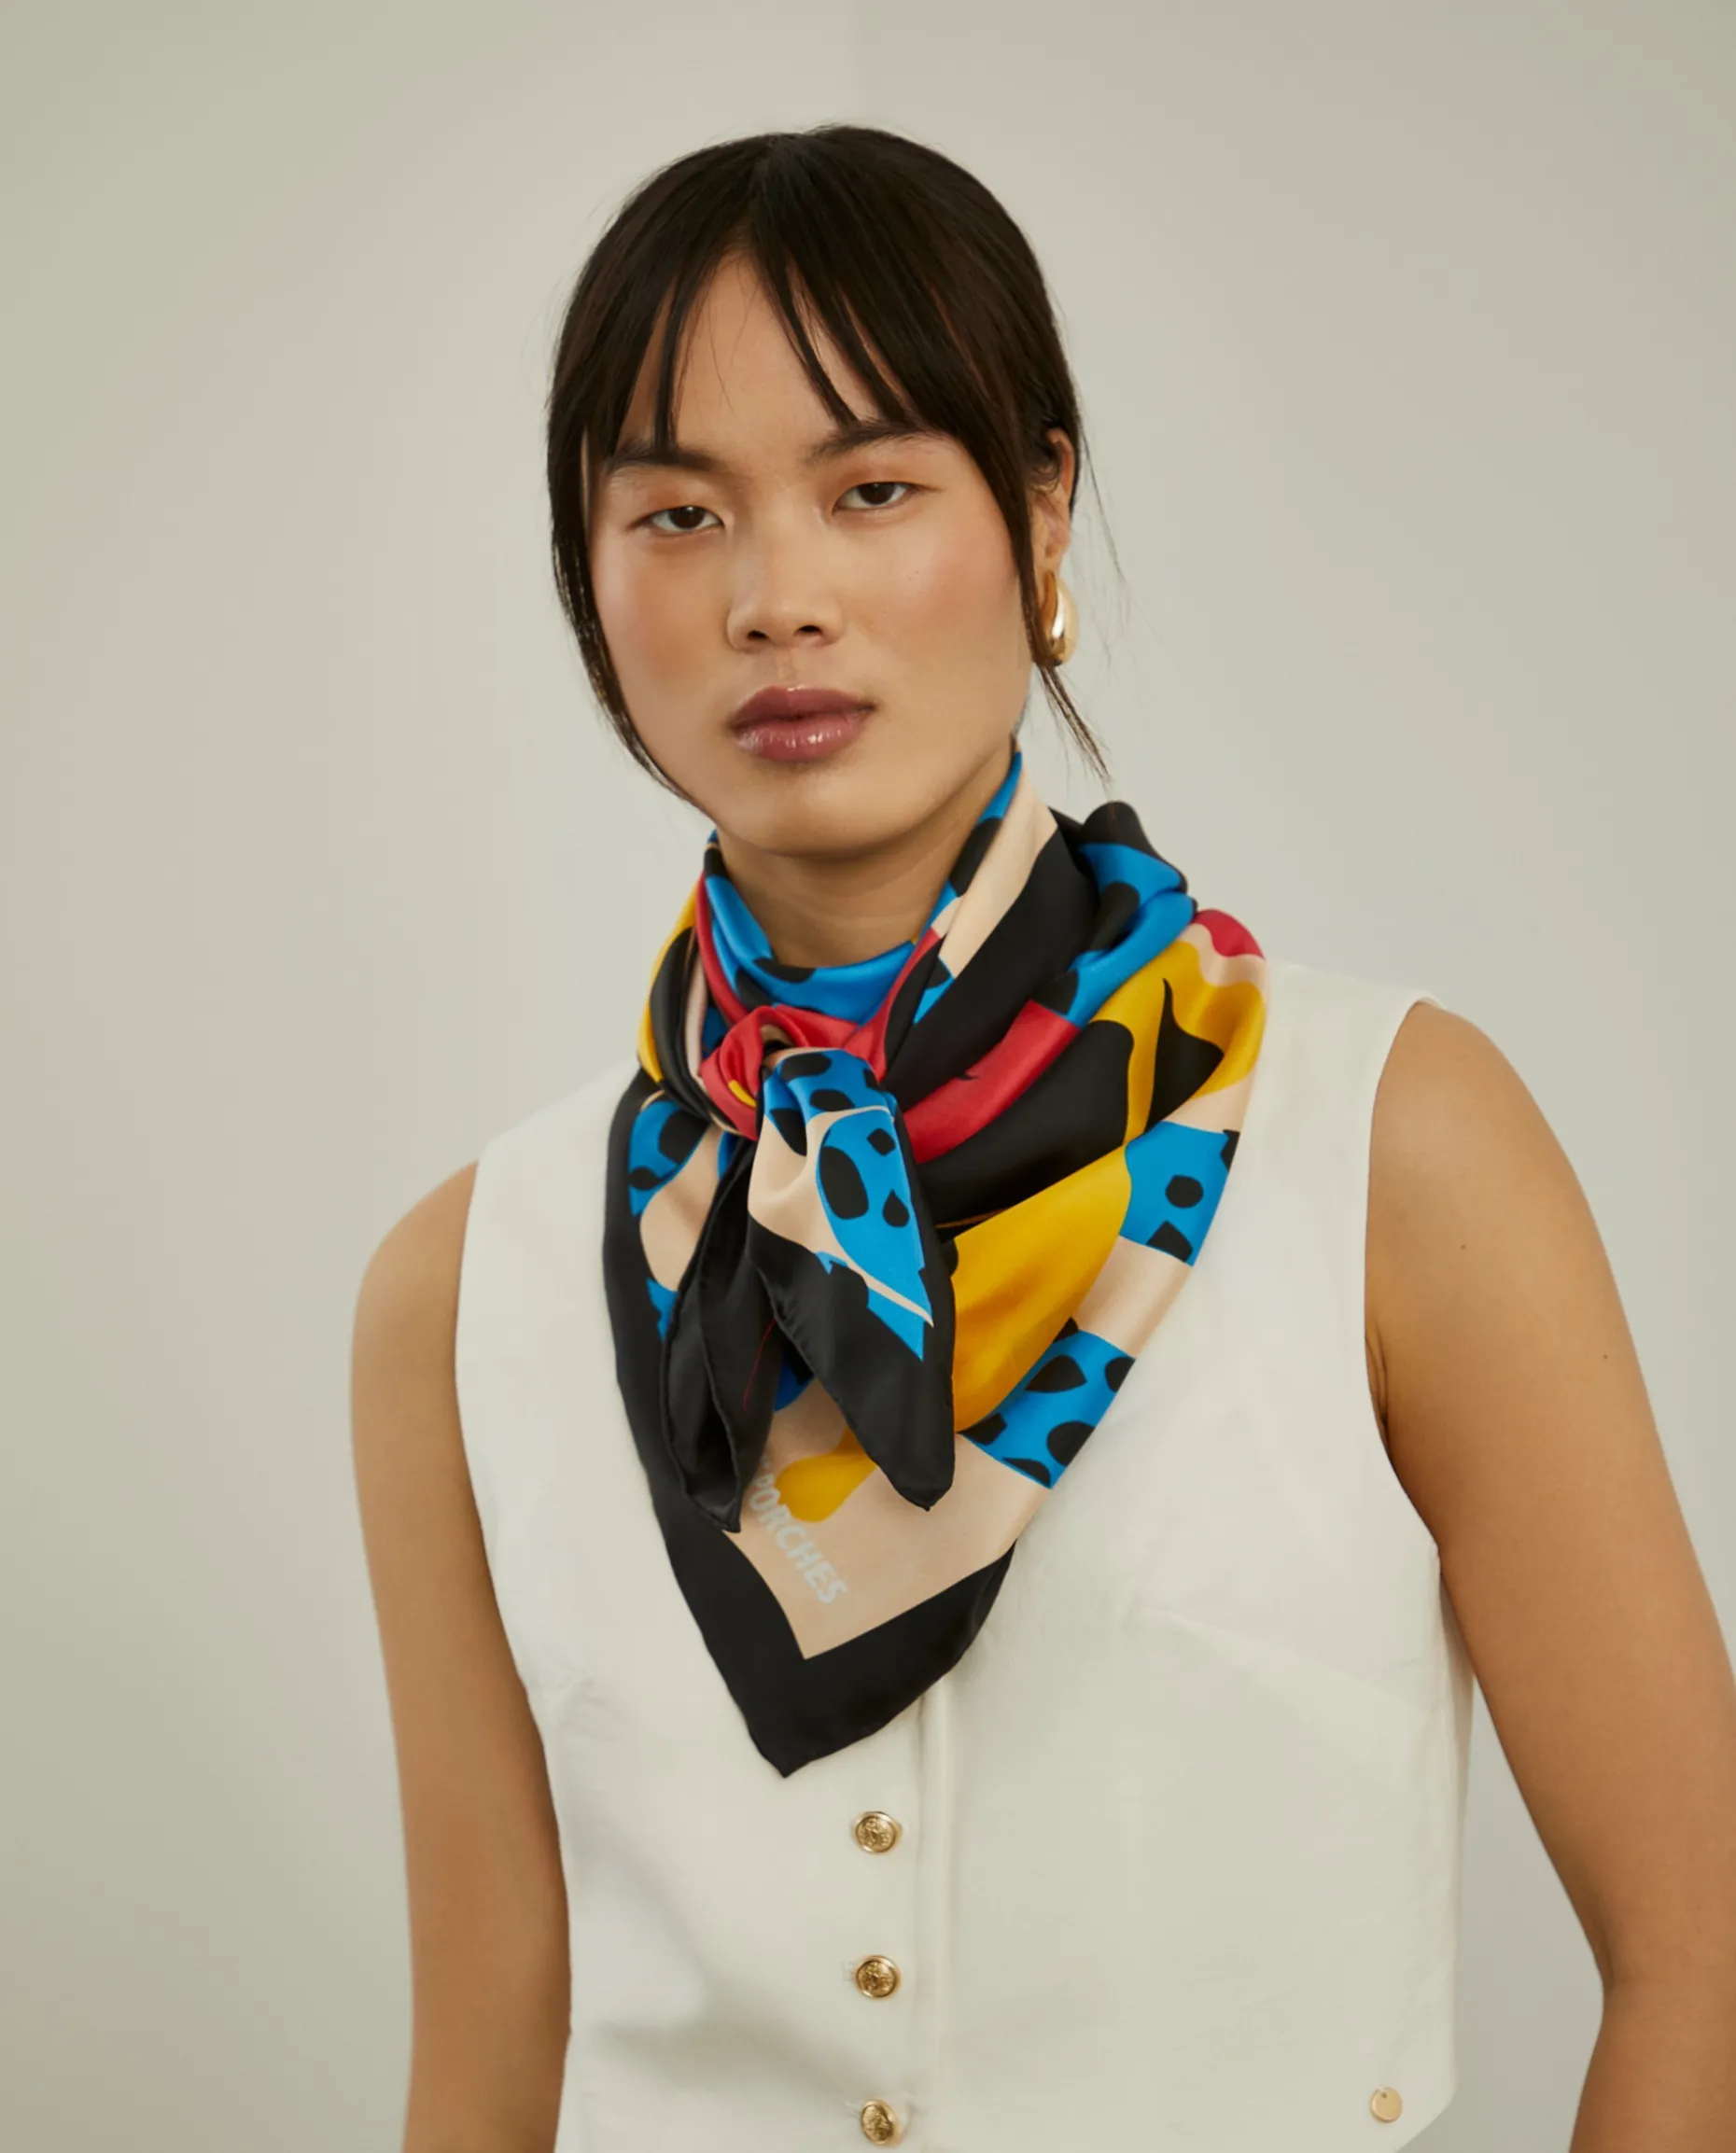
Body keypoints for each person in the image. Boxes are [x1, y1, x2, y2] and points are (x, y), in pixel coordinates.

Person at [350, 125, 1736, 2152]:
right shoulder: (459, 1289)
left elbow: (1702, 1952)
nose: (775, 597)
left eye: (873, 488)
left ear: (1044, 505)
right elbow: (490, 2066)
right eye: (678, 513)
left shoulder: (1394, 1147)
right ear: (590, 574)